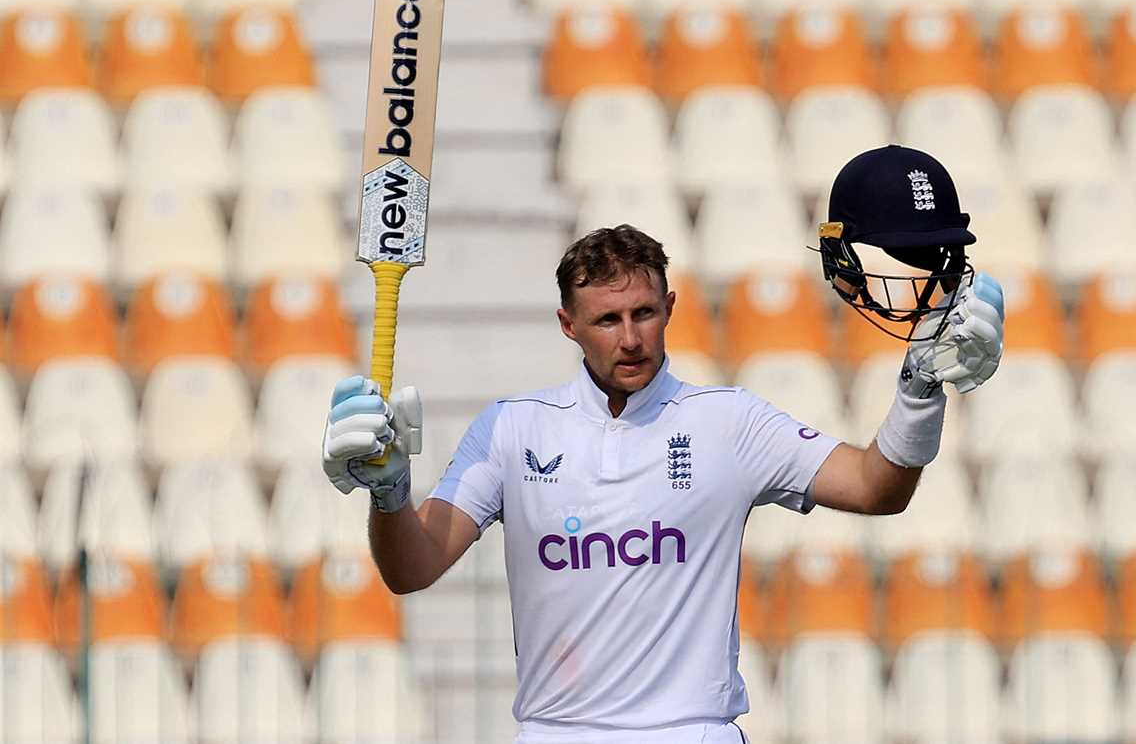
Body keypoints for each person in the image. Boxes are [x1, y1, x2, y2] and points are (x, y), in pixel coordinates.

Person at [322, 145, 1005, 743]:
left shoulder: (727, 421)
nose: (630, 337)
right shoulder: (511, 428)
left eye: (645, 313)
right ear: (568, 324)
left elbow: (873, 487)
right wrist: (390, 495)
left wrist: (919, 389)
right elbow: (411, 567)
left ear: (670, 308)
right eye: (608, 319)